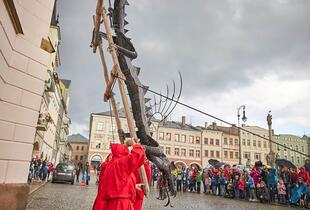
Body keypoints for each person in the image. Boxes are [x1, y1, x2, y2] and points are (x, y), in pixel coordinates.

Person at [96, 138, 145, 210]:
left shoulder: (111, 165)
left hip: (113, 203)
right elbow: (138, 155)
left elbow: (118, 183)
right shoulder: (121, 163)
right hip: (121, 203)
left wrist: (134, 186)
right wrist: (135, 144)